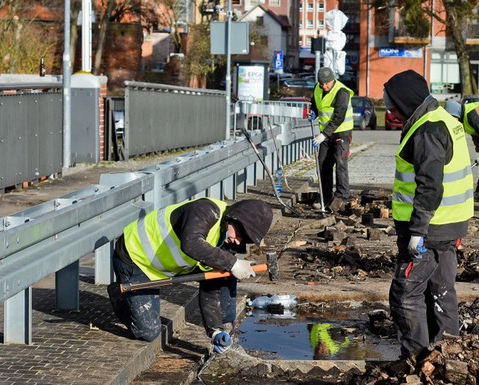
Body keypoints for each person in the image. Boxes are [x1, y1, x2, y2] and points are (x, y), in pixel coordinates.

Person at [383, 70, 474, 358]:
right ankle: (447, 355)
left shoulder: (426, 130)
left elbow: (430, 186)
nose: (390, 111)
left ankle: (415, 359)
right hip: (450, 225)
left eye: (392, 104)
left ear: (406, 102)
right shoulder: (443, 118)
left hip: (429, 230)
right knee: (441, 290)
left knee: (406, 293)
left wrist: (417, 232)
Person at [107, 198, 273, 352]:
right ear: (234, 218)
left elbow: (211, 286)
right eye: (239, 234)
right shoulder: (205, 210)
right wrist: (232, 263)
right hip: (136, 259)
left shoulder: (224, 239)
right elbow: (191, 243)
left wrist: (215, 330)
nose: (238, 241)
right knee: (147, 332)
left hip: (162, 266)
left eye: (245, 239)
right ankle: (120, 294)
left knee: (224, 274)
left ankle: (225, 329)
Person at [309, 67, 354, 212]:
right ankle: (326, 196)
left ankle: (342, 196)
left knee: (340, 163)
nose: (324, 86)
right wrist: (313, 112)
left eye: (327, 83)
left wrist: (323, 135)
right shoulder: (318, 88)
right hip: (326, 135)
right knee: (323, 164)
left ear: (333, 80)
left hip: (341, 134)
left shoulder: (342, 92)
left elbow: (338, 118)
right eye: (322, 83)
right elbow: (316, 104)